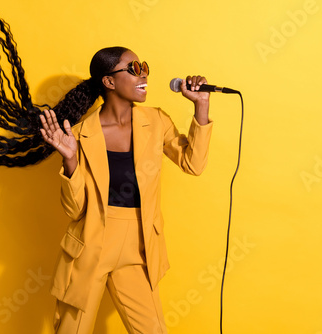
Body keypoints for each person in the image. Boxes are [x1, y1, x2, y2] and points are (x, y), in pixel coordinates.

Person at [39, 46, 213, 333]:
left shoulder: (156, 121)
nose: (143, 74)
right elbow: (75, 209)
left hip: (139, 243)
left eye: (143, 67)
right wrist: (69, 159)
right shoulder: (81, 134)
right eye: (134, 69)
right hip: (91, 244)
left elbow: (193, 164)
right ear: (109, 81)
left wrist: (201, 107)